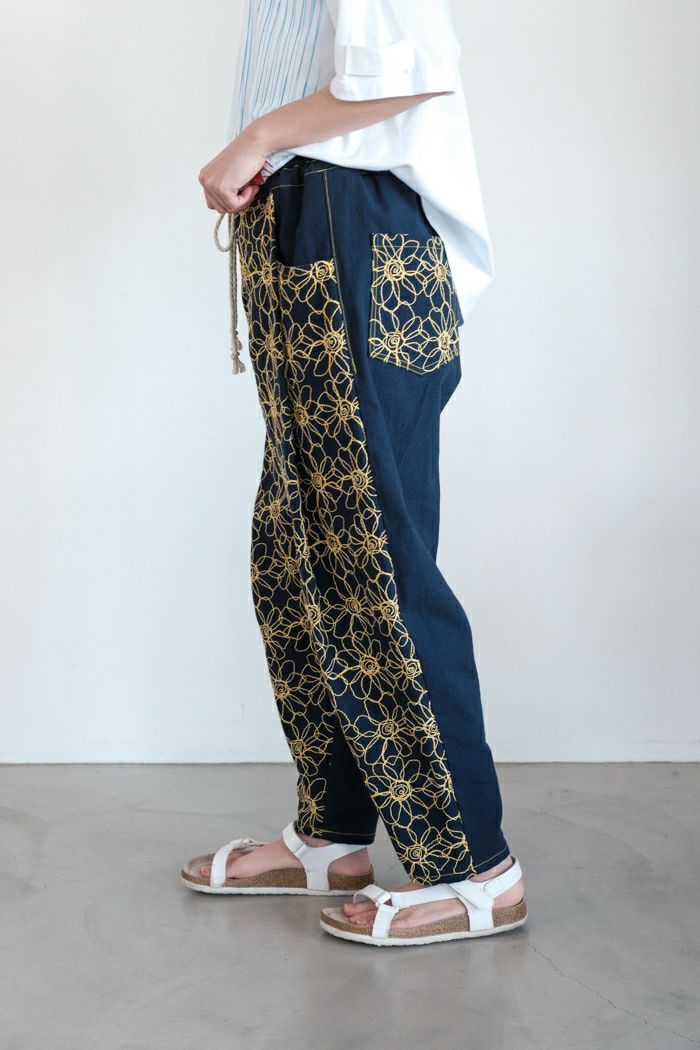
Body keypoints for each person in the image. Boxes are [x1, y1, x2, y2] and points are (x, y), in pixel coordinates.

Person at [180, 0, 527, 947]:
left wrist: (255, 137)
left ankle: (478, 871)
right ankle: (333, 835)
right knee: (302, 554)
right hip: (309, 227)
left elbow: (409, 71)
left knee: (376, 562)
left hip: (356, 230)